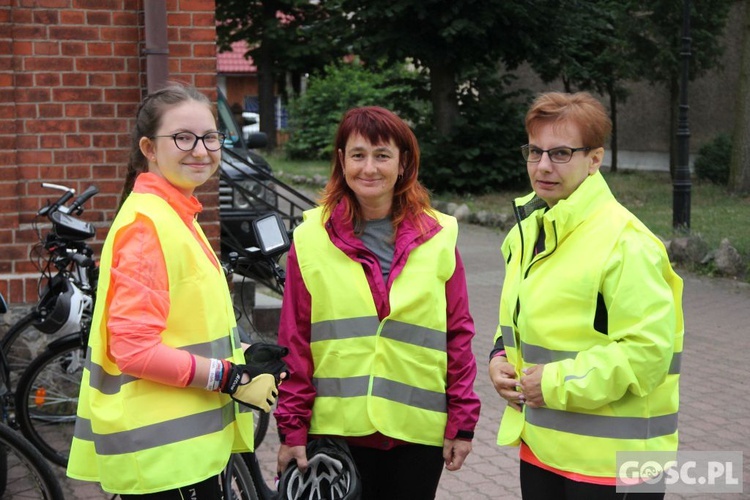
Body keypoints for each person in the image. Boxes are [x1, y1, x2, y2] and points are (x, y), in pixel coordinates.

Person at [67, 84, 285, 498]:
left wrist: (239, 360)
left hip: (183, 452)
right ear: (149, 147)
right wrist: (229, 375)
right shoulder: (149, 226)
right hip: (164, 459)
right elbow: (134, 350)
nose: (201, 150)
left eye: (210, 137)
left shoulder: (175, 214)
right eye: (183, 138)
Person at [275, 106, 481, 499]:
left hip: (417, 435)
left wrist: (462, 421)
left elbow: (458, 335)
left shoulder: (439, 236)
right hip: (337, 437)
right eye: (358, 155)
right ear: (341, 161)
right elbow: (295, 340)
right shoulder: (310, 238)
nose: (369, 167)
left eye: (382, 155)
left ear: (403, 163)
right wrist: (292, 428)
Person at [488, 91, 684, 499]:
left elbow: (647, 352)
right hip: (542, 450)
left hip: (614, 468)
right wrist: (498, 359)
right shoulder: (527, 233)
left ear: (594, 159)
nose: (542, 166)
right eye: (534, 151)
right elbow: (520, 320)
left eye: (560, 153)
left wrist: (555, 382)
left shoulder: (626, 243)